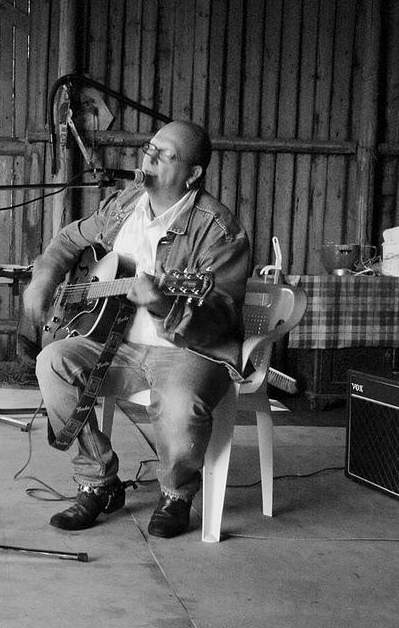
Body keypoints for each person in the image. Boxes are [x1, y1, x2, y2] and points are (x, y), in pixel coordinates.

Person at [22, 120, 251, 538]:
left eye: (165, 154)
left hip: (188, 351)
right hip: (113, 342)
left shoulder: (220, 231)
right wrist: (45, 280)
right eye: (150, 147)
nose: (149, 157)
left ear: (193, 174)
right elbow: (67, 242)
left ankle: (177, 493)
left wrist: (164, 303)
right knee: (52, 362)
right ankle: (100, 481)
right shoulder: (124, 204)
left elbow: (219, 317)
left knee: (180, 403)